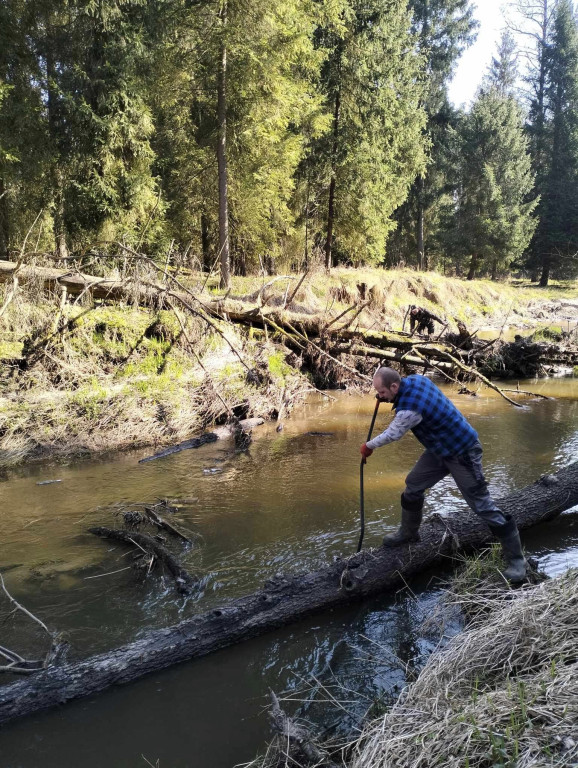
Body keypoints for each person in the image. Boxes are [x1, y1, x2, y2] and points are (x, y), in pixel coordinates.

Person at [359, 367, 527, 581]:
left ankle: (516, 560)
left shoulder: (410, 410)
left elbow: (394, 433)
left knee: (482, 505)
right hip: (439, 449)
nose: (379, 396)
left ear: (394, 386)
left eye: (381, 392)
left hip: (462, 451)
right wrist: (385, 397)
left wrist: (369, 446)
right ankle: (409, 533)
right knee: (413, 485)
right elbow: (400, 400)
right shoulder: (415, 380)